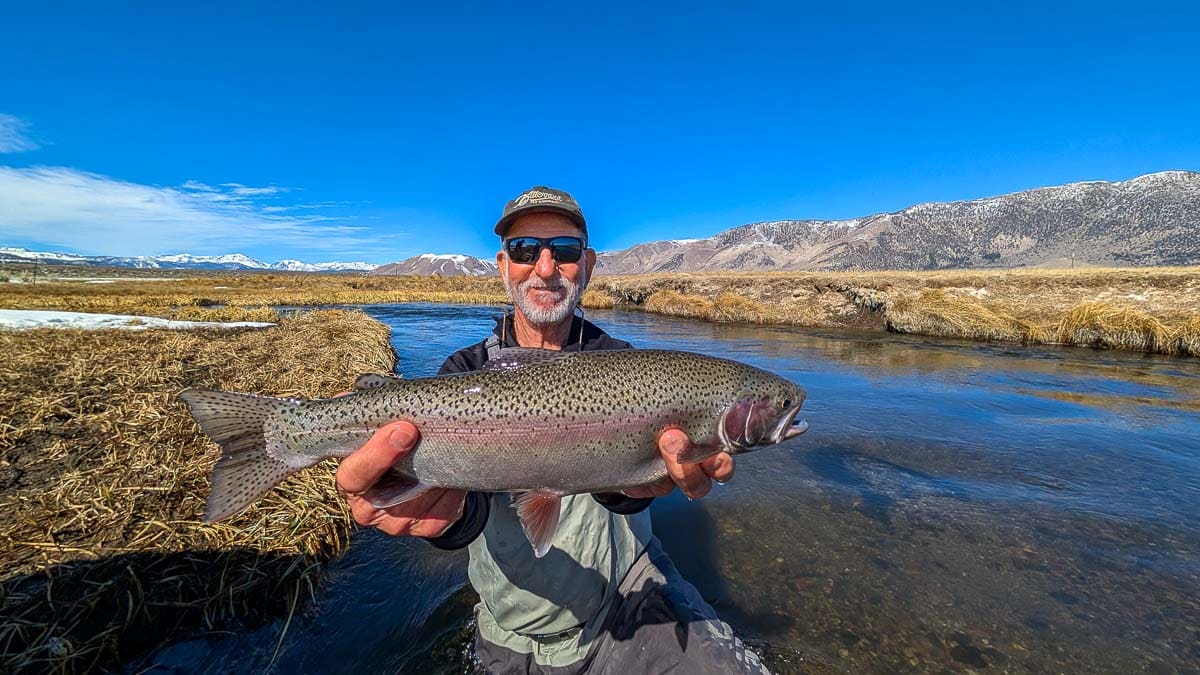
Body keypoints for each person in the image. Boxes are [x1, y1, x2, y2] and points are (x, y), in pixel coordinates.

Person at [335, 186, 770, 674]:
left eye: (563, 251)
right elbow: (468, 511)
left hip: (628, 596)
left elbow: (628, 492)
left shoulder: (624, 365)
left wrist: (635, 484)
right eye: (525, 251)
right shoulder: (463, 373)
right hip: (509, 622)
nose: (546, 268)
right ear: (504, 265)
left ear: (587, 265)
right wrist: (437, 513)